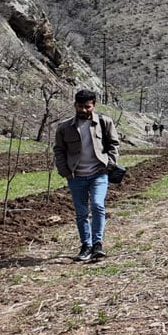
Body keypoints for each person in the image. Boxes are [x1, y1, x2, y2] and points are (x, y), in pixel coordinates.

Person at [53, 89, 120, 261]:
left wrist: (109, 164)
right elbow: (59, 150)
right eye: (80, 106)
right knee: (81, 212)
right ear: (75, 105)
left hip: (99, 174)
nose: (83, 110)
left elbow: (114, 144)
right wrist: (64, 170)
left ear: (94, 106)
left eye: (87, 107)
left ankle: (98, 244)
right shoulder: (64, 128)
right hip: (76, 176)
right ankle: (86, 246)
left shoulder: (105, 122)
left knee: (98, 205)